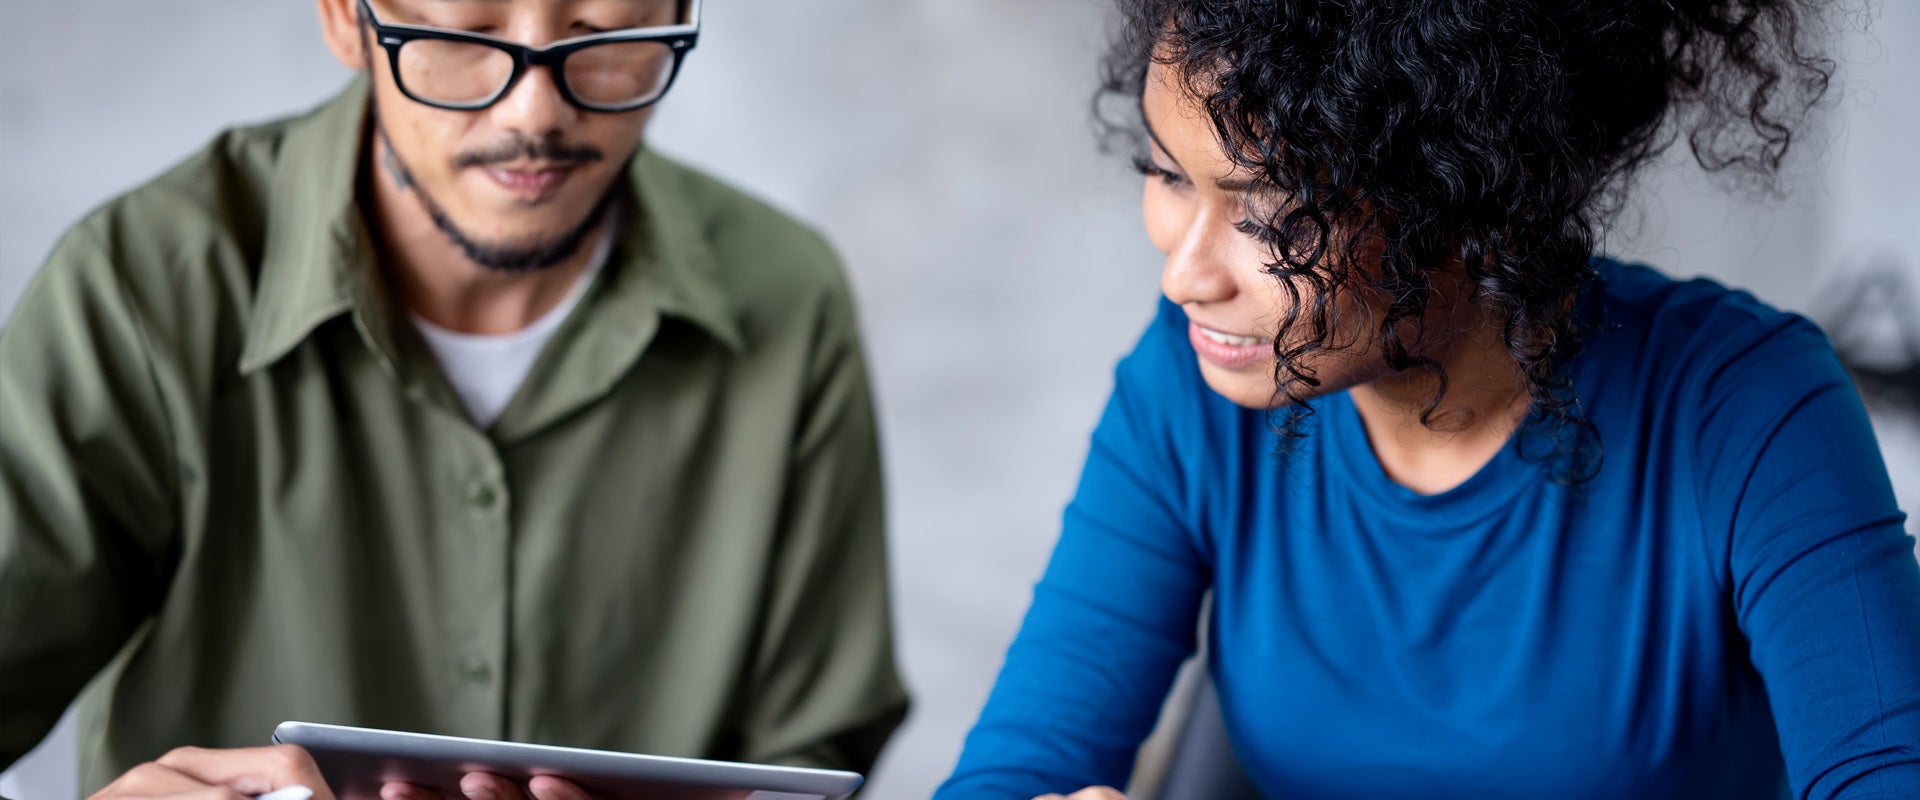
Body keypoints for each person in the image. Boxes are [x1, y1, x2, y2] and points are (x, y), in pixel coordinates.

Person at [937, 0, 1920, 797]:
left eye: (1272, 212)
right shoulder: (1194, 385)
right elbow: (1017, 769)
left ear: (1474, 194)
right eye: (1166, 171)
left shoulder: (1745, 406)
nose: (1186, 275)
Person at [0, 1, 909, 798]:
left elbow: (813, 751)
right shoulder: (140, 290)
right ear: (346, 20)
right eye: (468, 33)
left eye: (606, 31)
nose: (536, 112)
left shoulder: (789, 298)